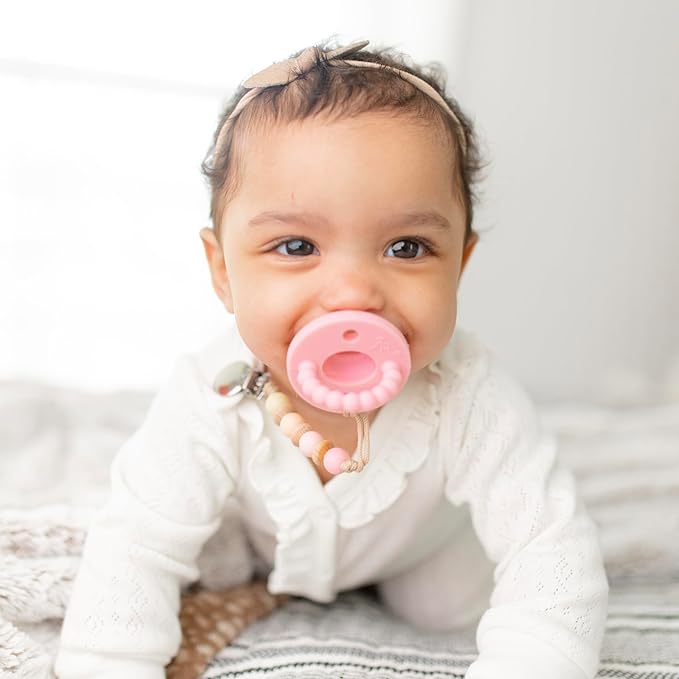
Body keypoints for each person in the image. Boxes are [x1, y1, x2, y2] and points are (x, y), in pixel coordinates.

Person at [55, 40, 608, 678]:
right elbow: (135, 545)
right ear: (223, 272)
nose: (352, 293)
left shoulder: (467, 390)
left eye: (406, 247)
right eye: (296, 246)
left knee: (450, 604)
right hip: (264, 542)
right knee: (193, 550)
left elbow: (549, 546)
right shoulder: (212, 392)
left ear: (459, 265)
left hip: (417, 549)